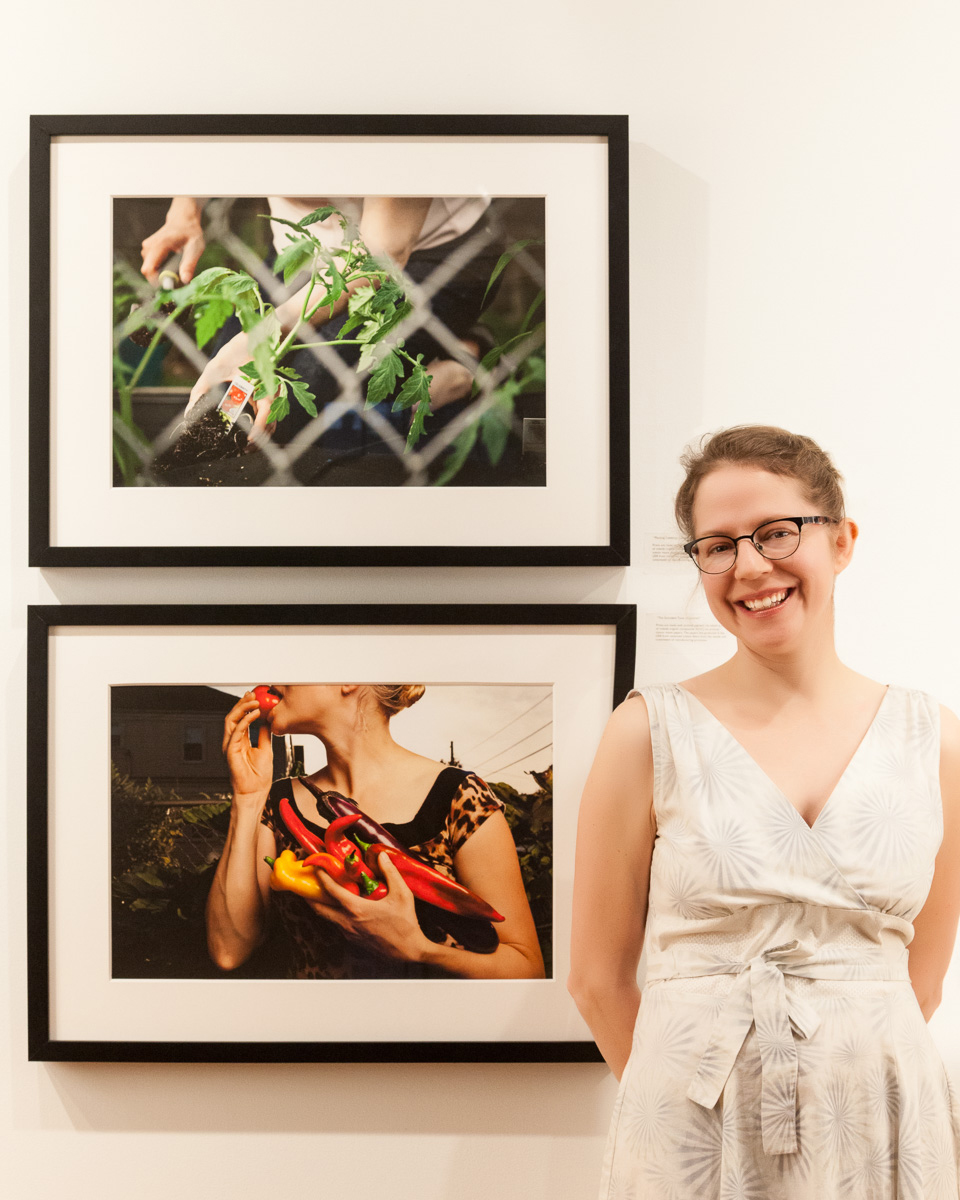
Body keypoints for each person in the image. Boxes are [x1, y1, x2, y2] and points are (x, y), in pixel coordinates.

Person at [569, 425, 960, 1197]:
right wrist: (683, 1093)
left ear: (842, 541)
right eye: (717, 546)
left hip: (885, 1123)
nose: (749, 566)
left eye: (777, 533)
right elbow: (596, 980)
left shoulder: (933, 739)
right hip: (693, 1125)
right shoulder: (647, 731)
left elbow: (920, 980)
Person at [206, 683, 545, 980]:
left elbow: (526, 967)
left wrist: (419, 949)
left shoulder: (458, 796)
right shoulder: (279, 803)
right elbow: (228, 951)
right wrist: (247, 798)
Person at [141, 195, 497, 456]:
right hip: (303, 252)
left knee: (302, 418)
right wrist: (184, 212)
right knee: (225, 378)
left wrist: (266, 332)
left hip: (427, 256)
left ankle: (465, 359)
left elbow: (380, 254)